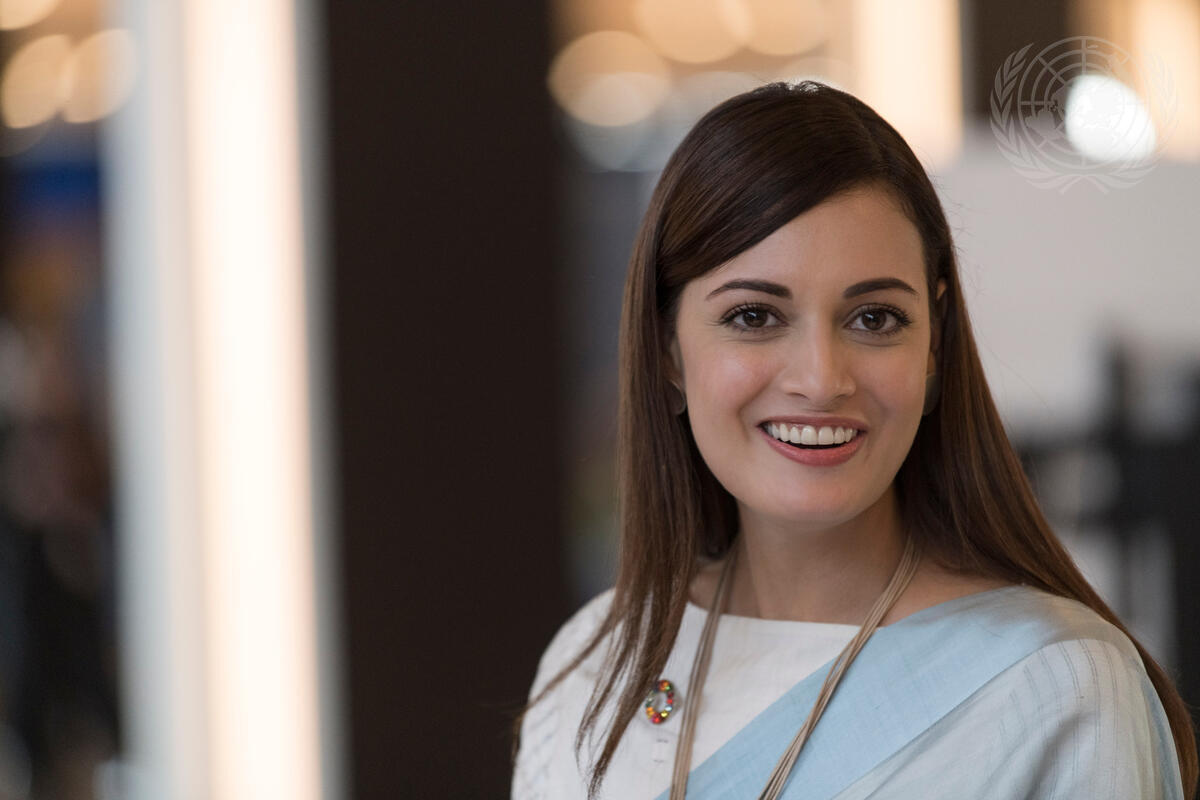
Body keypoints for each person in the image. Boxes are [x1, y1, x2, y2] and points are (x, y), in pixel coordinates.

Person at [511, 80, 1196, 800]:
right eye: (754, 317)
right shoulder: (594, 665)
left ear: (934, 345)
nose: (821, 380)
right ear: (667, 349)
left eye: (874, 319)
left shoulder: (1058, 686)